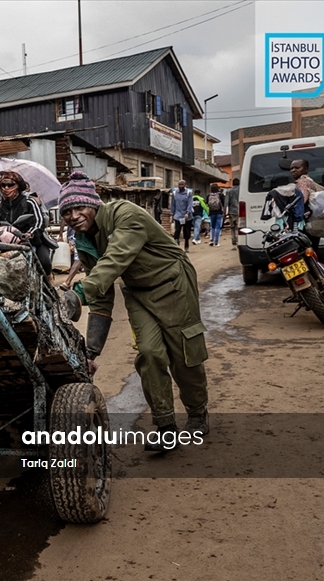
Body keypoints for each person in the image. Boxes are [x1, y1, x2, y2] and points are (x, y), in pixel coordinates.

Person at [58, 171, 209, 450]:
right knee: (150, 353)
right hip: (138, 292)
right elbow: (101, 295)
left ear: (94, 203)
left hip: (172, 282)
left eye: (79, 207)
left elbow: (116, 259)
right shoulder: (83, 241)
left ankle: (198, 412)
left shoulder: (125, 214)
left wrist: (78, 293)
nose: (74, 215)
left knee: (183, 353)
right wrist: (91, 350)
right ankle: (165, 426)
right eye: (67, 211)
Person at [0, 171, 54, 275]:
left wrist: (30, 234)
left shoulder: (29, 202)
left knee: (45, 264)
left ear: (18, 186)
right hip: (7, 244)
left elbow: (39, 222)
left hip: (32, 241)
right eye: (3, 185)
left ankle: (49, 282)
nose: (6, 188)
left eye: (10, 185)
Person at [290, 158, 324, 252]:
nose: (293, 170)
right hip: (312, 223)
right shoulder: (308, 180)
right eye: (292, 168)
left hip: (305, 225)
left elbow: (301, 200)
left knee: (304, 253)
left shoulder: (303, 182)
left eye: (297, 167)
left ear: (306, 169)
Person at [170, 179, 193, 252]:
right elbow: (173, 204)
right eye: (179, 185)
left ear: (185, 185)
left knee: (187, 232)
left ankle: (186, 246)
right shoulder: (174, 193)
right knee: (177, 231)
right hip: (178, 215)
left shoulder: (189, 193)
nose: (180, 186)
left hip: (187, 216)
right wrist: (172, 214)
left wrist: (187, 213)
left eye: (182, 185)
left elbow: (190, 204)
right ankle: (176, 246)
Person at [225, 177, 240, 247]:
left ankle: (233, 240)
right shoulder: (241, 190)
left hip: (232, 211)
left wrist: (224, 212)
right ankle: (238, 239)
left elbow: (226, 203)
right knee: (238, 226)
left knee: (232, 227)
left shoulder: (229, 191)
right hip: (240, 211)